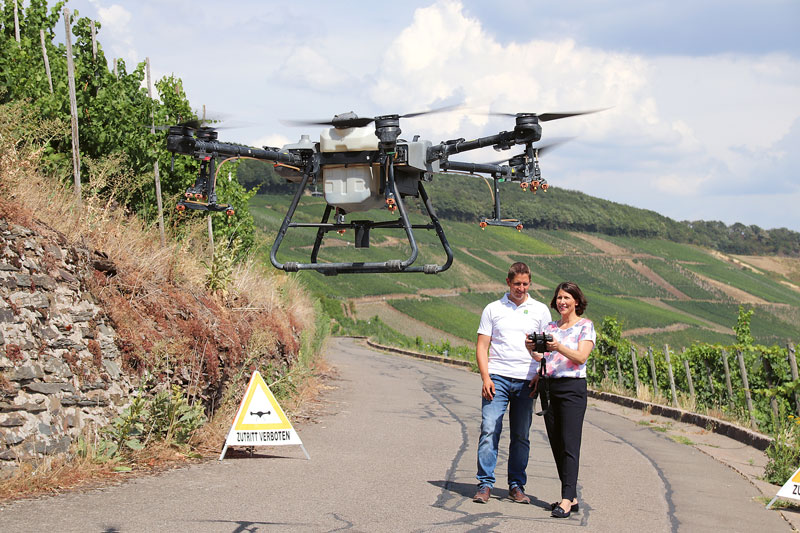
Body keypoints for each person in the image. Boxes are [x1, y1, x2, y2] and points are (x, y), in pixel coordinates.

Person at [473, 262, 553, 504]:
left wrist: (542, 371)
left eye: (525, 284)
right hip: (497, 377)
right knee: (489, 429)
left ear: (530, 283)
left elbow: (548, 346)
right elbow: (482, 346)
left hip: (527, 380)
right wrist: (485, 377)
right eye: (517, 283)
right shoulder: (493, 309)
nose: (521, 288)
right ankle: (485, 484)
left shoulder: (540, 311)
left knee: (521, 435)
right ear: (508, 282)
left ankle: (516, 485)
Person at [526, 281, 595, 518]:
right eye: (559, 298)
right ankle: (571, 496)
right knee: (556, 442)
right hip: (549, 386)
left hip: (572, 387)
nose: (562, 302)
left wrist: (559, 346)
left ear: (576, 301)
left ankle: (566, 499)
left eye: (567, 298)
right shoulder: (550, 326)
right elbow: (543, 357)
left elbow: (581, 357)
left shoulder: (586, 326)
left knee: (570, 443)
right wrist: (531, 350)